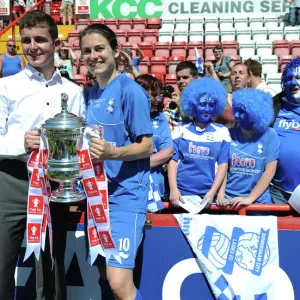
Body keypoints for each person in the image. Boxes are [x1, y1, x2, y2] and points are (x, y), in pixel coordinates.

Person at [0, 10, 85, 300]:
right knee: (1, 263)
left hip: (53, 185)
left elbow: (80, 140)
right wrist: (20, 142)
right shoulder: (6, 86)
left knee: (51, 264)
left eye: (40, 40)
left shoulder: (74, 91)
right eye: (26, 41)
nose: (33, 47)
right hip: (9, 182)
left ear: (55, 44)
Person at [80, 23, 153, 300]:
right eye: (87, 51)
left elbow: (147, 145)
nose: (93, 55)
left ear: (115, 51)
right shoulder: (91, 93)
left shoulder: (129, 89)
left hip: (126, 196)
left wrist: (113, 153)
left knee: (118, 282)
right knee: (103, 277)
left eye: (99, 48)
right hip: (97, 197)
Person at [168, 77, 230, 207]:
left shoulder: (222, 132)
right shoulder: (180, 130)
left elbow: (223, 165)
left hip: (207, 198)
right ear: (193, 105)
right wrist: (174, 190)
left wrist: (212, 193)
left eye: (211, 104)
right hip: (181, 197)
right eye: (202, 104)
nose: (206, 109)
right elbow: (172, 162)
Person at [217, 89, 280, 208]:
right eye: (235, 110)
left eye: (242, 112)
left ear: (255, 112)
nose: (236, 115)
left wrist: (249, 199)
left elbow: (269, 172)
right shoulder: (228, 133)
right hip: (229, 201)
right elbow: (223, 168)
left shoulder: (270, 135)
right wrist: (221, 196)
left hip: (259, 203)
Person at [135, 74, 173, 199]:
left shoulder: (160, 118)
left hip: (155, 185)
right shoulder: (124, 116)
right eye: (153, 95)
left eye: (159, 95)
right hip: (129, 185)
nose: (158, 99)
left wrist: (140, 165)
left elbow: (167, 151)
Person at [271, 57, 300, 203]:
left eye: (299, 77)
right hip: (277, 191)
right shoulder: (272, 107)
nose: (294, 82)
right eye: (289, 78)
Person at [164, 61, 198, 131]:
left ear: (195, 79)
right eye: (178, 78)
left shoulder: (202, 102)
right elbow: (164, 121)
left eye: (185, 77)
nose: (181, 81)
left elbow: (194, 127)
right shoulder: (174, 101)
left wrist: (180, 104)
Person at [214, 63, 250, 128]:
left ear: (249, 78)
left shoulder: (254, 100)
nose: (237, 76)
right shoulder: (222, 99)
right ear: (230, 78)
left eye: (241, 73)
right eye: (234, 73)